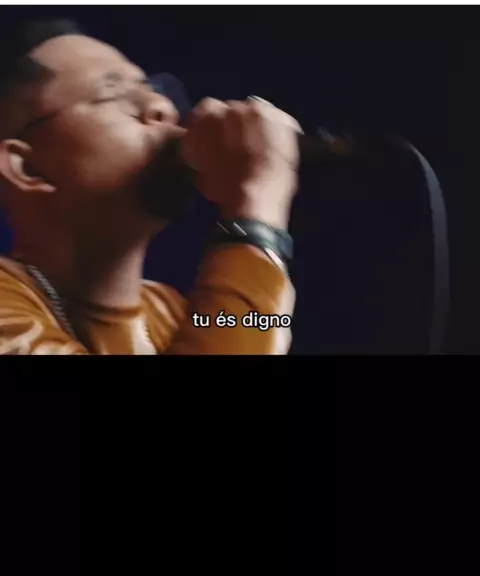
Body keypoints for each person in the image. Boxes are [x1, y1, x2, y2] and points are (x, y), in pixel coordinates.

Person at [0, 20, 300, 355]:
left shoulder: (174, 311)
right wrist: (257, 210)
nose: (164, 107)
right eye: (112, 94)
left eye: (153, 89)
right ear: (28, 168)